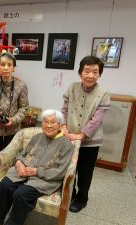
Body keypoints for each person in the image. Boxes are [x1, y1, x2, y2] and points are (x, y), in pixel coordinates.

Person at [0, 109, 74, 225]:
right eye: (45, 122)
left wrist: (36, 171)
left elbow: (61, 171)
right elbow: (21, 154)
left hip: (43, 180)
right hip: (21, 172)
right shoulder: (37, 137)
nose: (48, 126)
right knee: (5, 186)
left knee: (21, 194)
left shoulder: (66, 145)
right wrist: (19, 163)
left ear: (59, 124)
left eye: (53, 122)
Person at [61, 55, 110, 213]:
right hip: (69, 137)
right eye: (87, 71)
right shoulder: (72, 87)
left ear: (99, 74)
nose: (90, 75)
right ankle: (70, 194)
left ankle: (82, 198)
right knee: (69, 169)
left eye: (95, 72)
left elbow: (96, 120)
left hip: (90, 142)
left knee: (85, 172)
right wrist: (63, 126)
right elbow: (65, 109)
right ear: (80, 72)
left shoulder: (103, 93)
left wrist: (81, 136)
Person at [0, 52, 29, 181]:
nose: (5, 68)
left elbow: (24, 107)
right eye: (2, 65)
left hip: (12, 129)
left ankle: (6, 182)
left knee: (10, 156)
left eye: (9, 65)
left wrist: (13, 120)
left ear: (14, 67)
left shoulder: (21, 85)